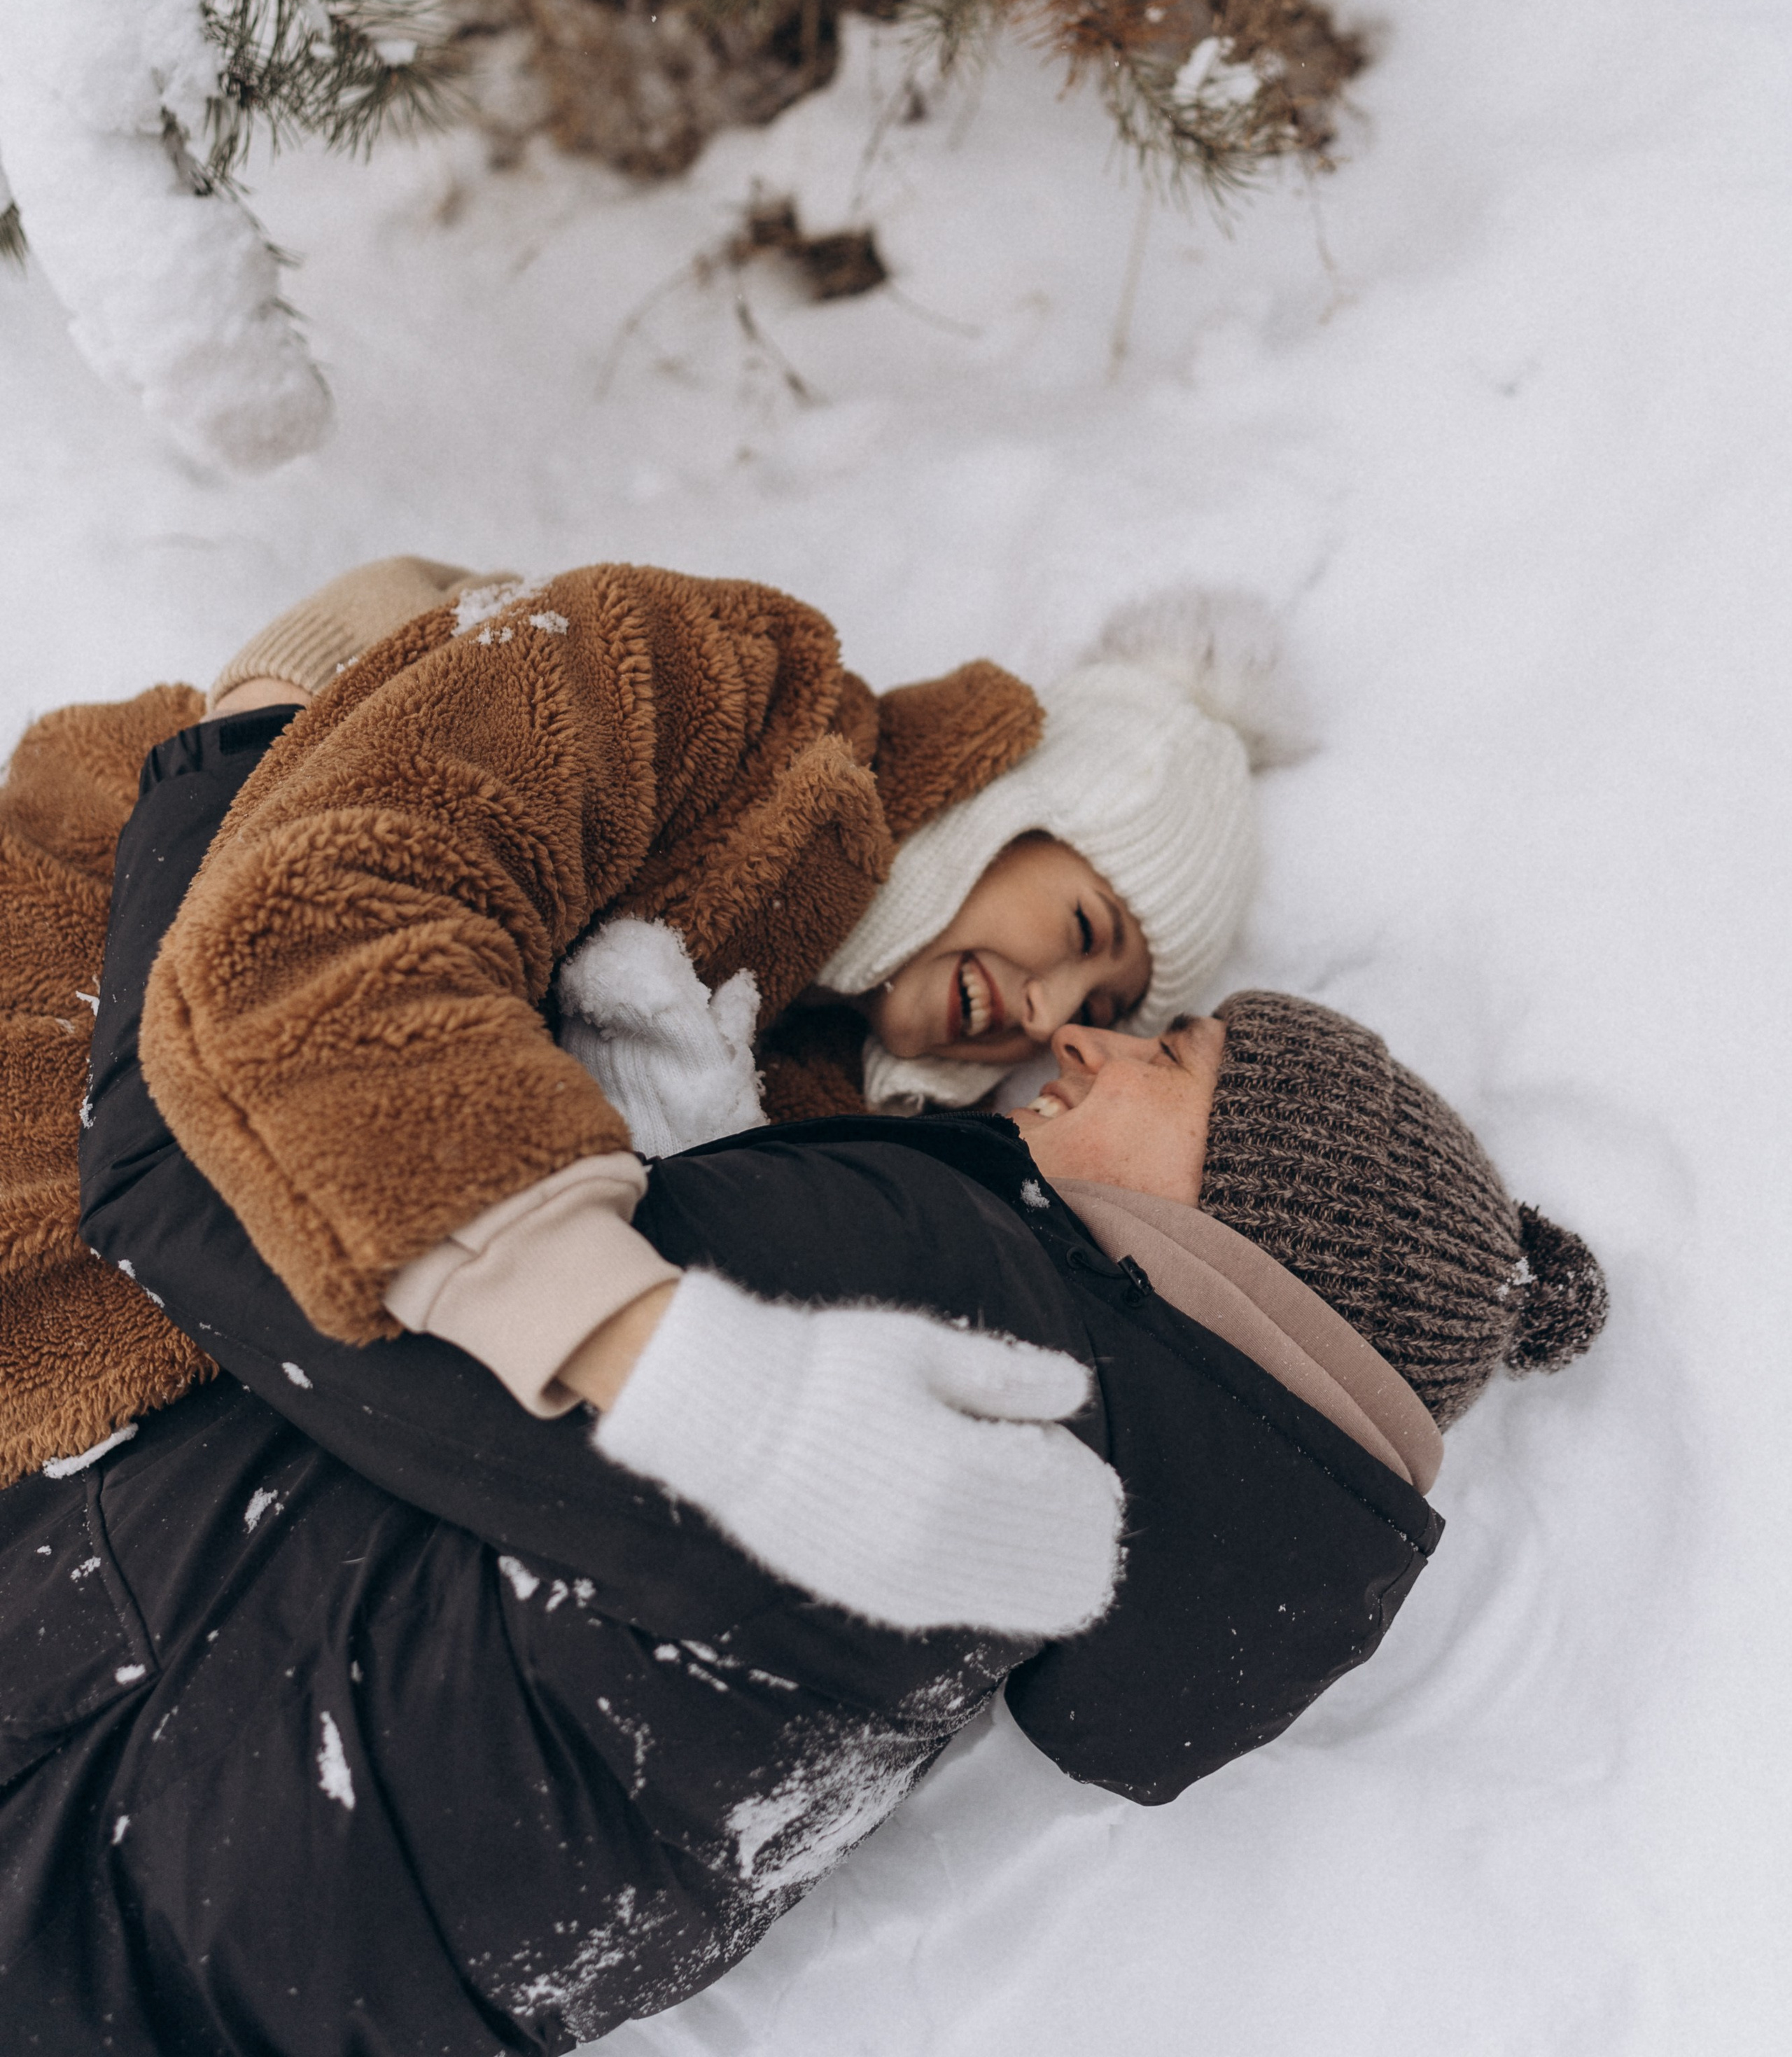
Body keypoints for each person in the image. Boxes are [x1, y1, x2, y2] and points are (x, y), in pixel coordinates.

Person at [0, 697, 1607, 2054]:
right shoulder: (1058, 1534)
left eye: (1164, 1057)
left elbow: (206, 1184)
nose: (1085, 1049)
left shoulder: (958, 1302)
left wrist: (236, 753)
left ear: (1258, 1235)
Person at [1, 555, 1300, 1483]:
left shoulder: (822, 1113)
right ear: (1008, 801)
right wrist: (628, 1333)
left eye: (1110, 1008)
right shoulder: (729, 686)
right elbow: (354, 898)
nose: (1052, 1010)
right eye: (1080, 931)